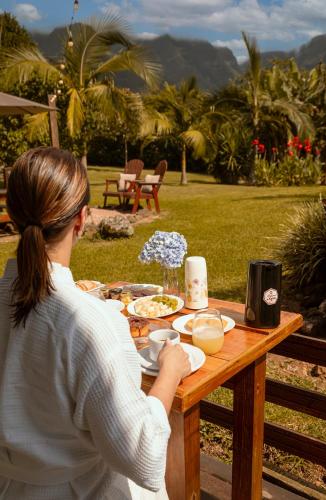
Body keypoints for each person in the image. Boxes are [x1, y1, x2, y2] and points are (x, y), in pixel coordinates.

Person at [0, 147, 191, 500]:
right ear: (81, 220)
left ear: (12, 215)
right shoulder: (89, 323)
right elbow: (144, 455)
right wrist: (169, 373)